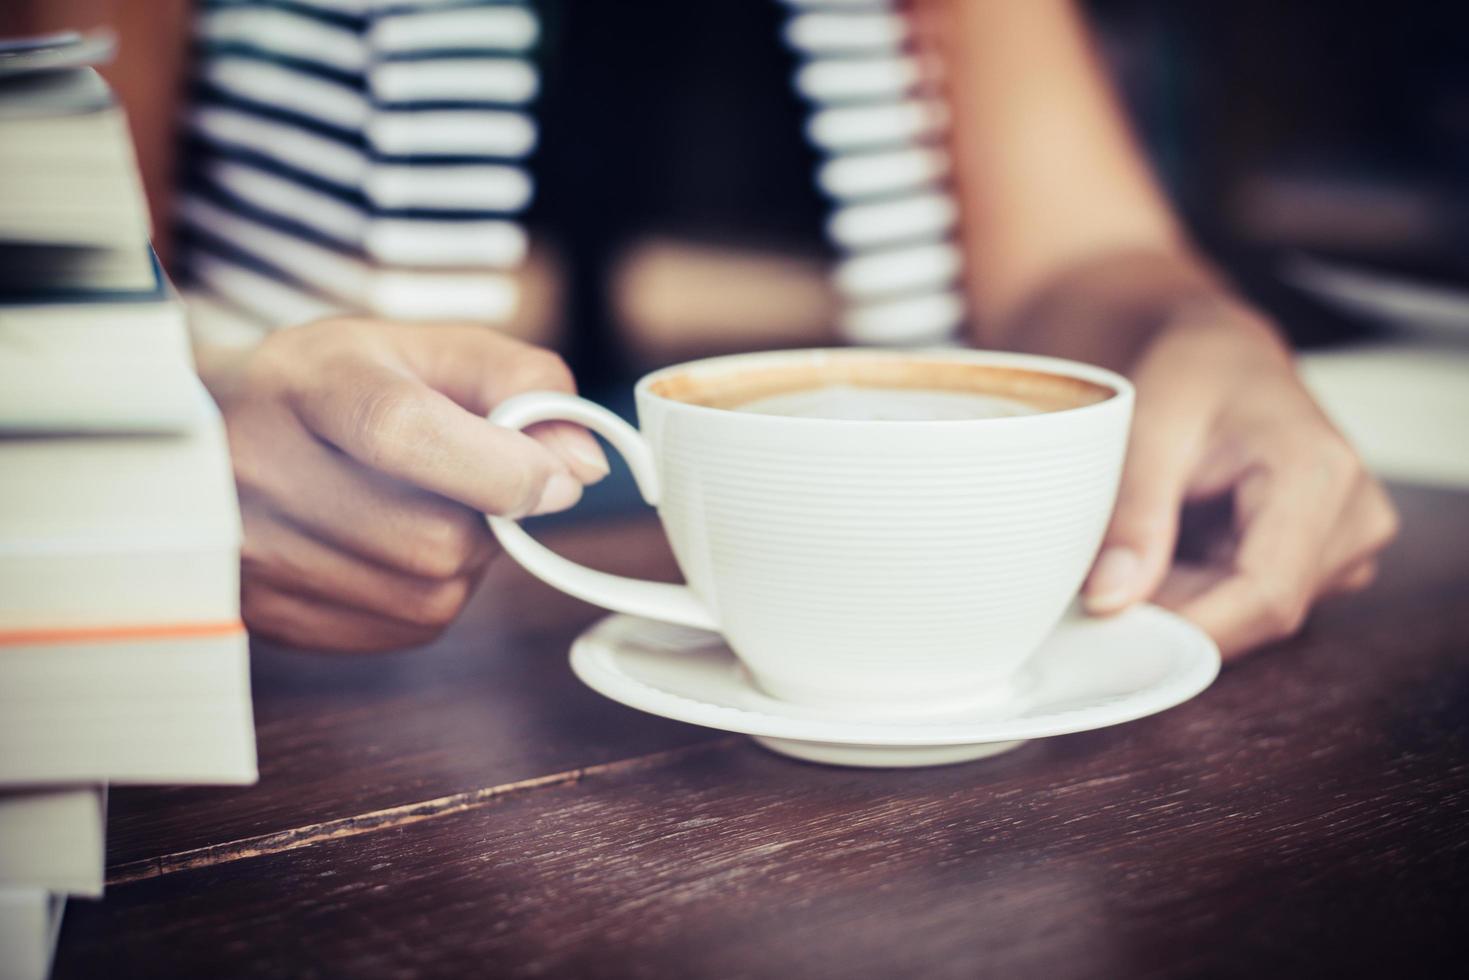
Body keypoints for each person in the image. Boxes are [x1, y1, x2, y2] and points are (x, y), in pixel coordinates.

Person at [9, 0, 1396, 658]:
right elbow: (49, 275)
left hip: (907, 677)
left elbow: (1079, 256)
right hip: (296, 678)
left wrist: (1205, 329)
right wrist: (159, 410)